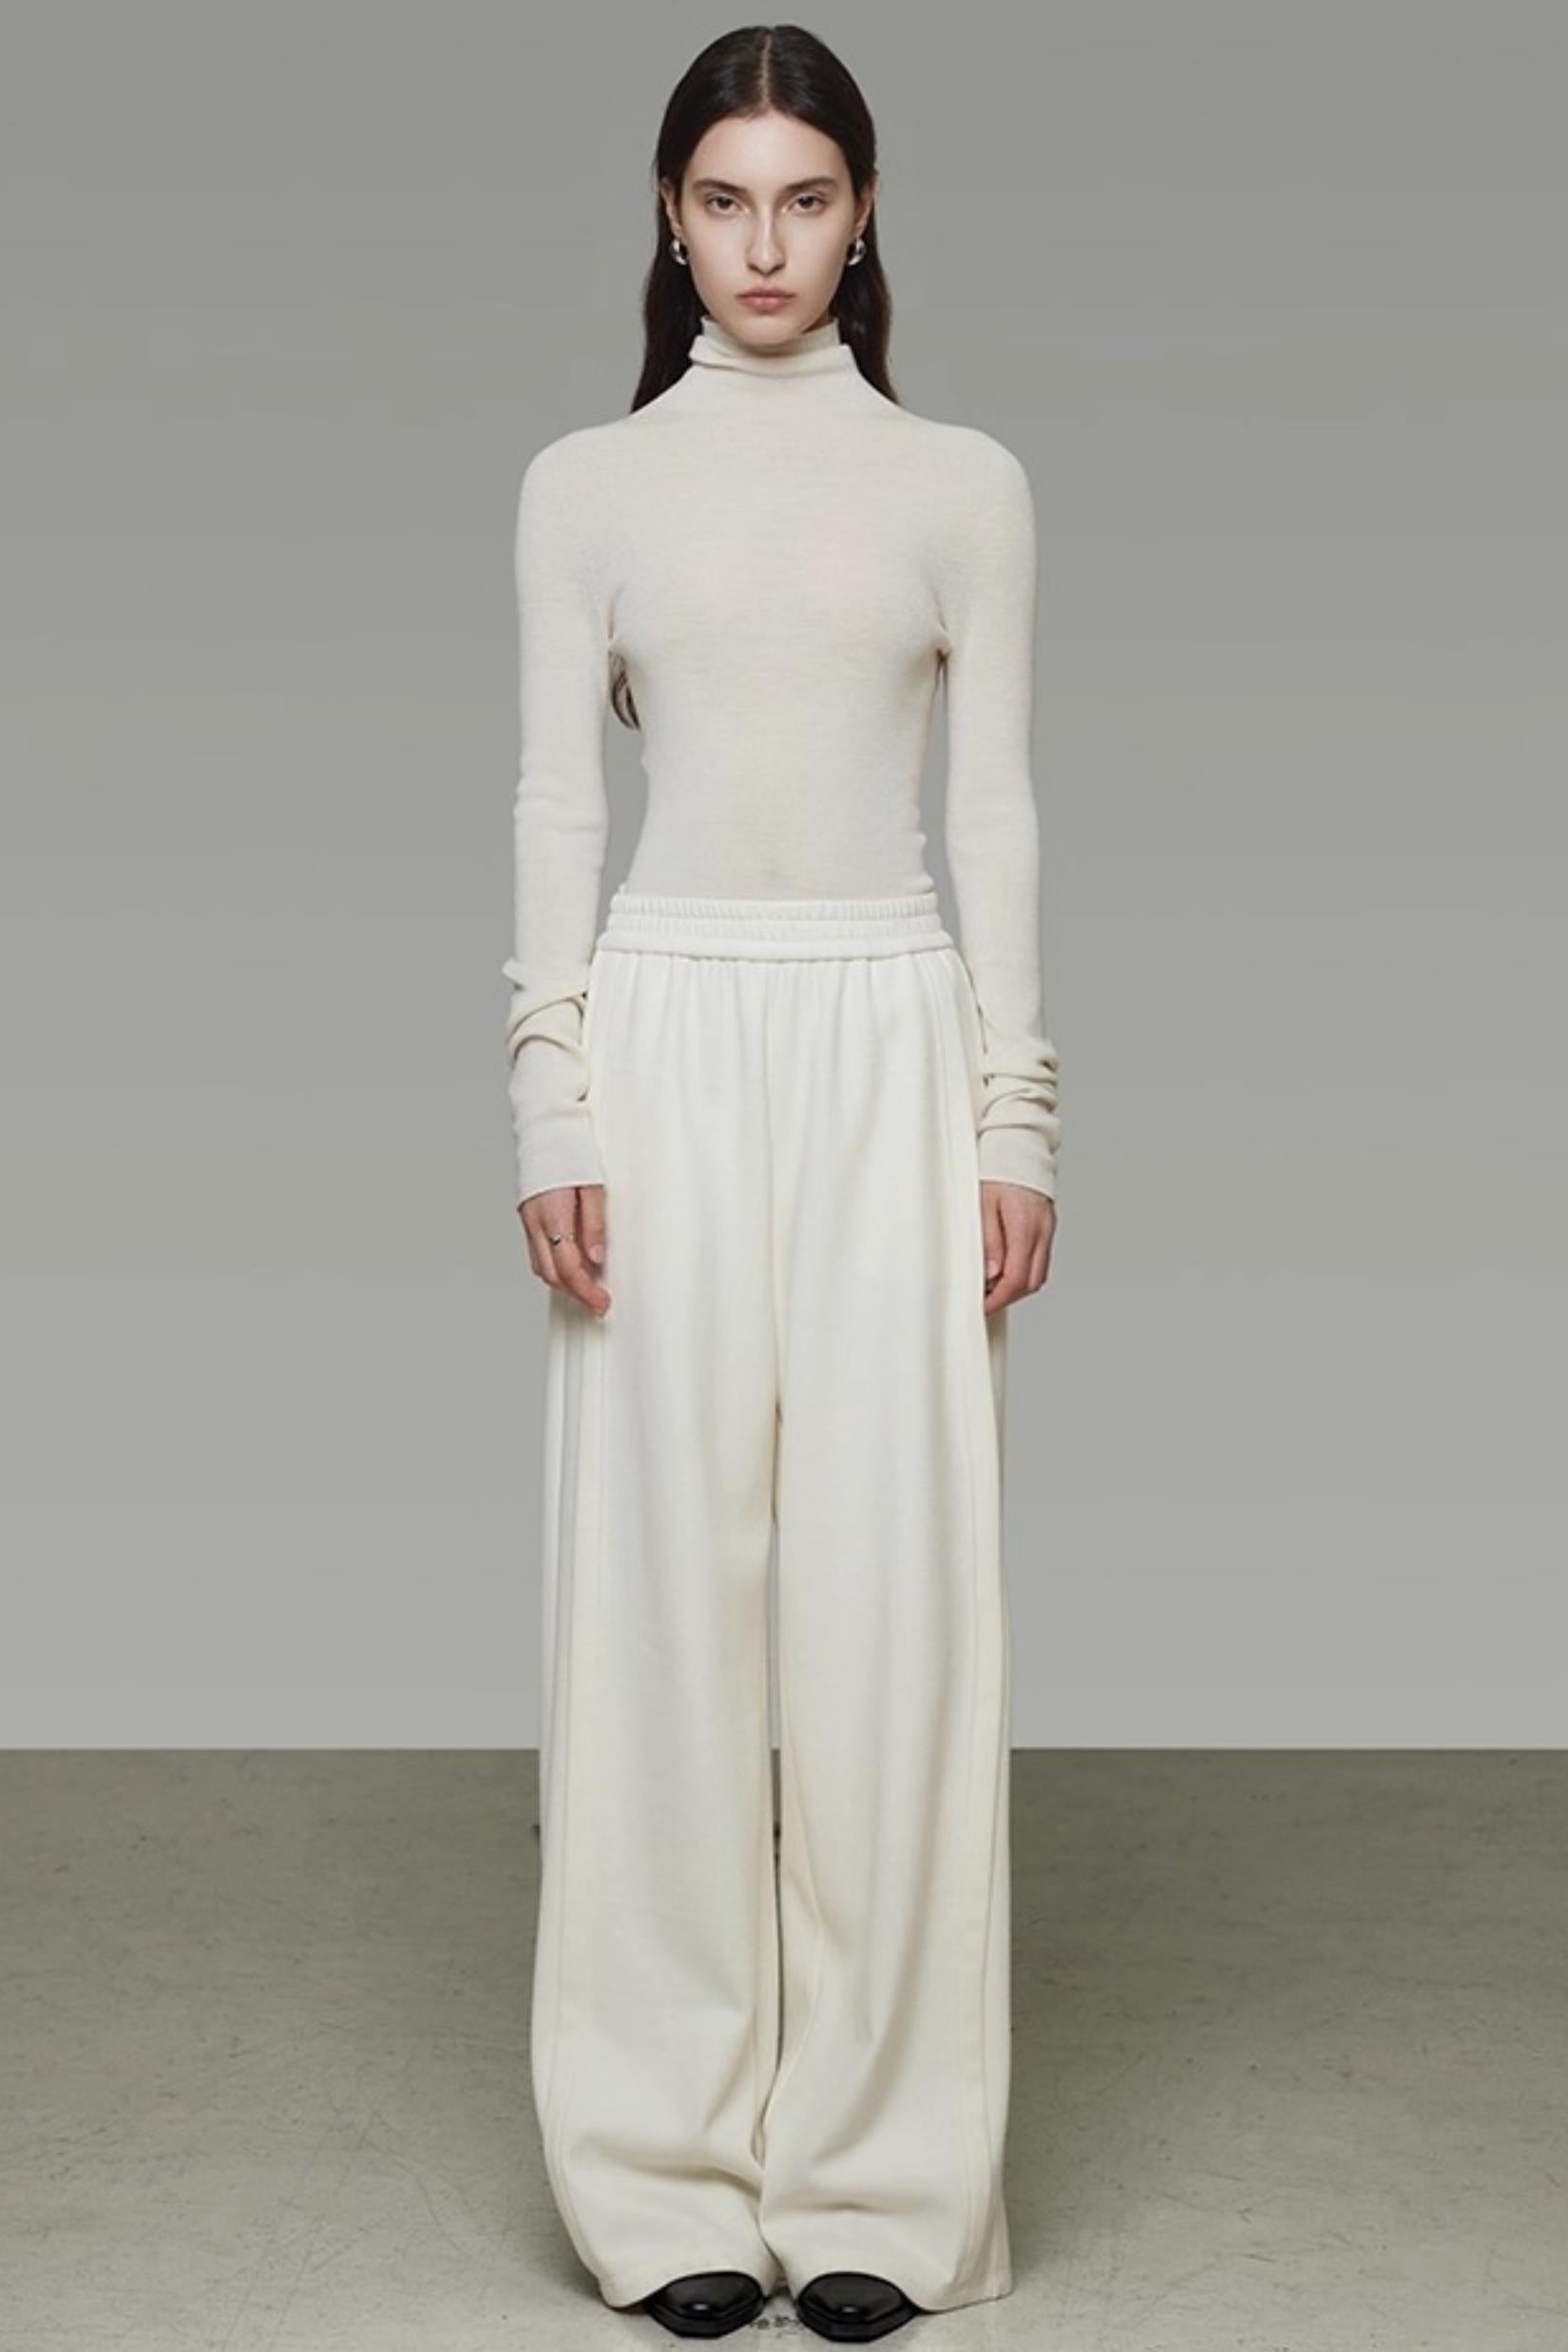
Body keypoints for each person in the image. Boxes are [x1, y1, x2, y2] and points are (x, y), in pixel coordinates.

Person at [502, 28, 1061, 2345]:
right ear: (669, 214)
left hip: (885, 1034)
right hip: (664, 1035)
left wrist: (1014, 1108)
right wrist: (552, 1100)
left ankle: (878, 2177)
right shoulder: (585, 488)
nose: (763, 242)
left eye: (805, 197)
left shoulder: (961, 484)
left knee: (889, 1616)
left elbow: (993, 807)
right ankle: (660, 2172)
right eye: (724, 198)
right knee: (653, 1618)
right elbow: (556, 800)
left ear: (862, 214)